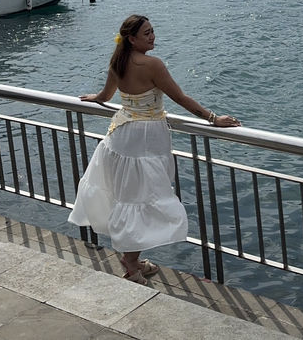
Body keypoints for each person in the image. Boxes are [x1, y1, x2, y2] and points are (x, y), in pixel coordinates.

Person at [68, 14, 240, 285]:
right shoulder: (152, 65)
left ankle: (132, 260)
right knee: (140, 200)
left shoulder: (118, 61)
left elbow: (107, 95)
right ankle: (131, 265)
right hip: (145, 140)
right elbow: (180, 98)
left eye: (152, 31)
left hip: (121, 135)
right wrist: (213, 118)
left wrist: (96, 98)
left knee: (127, 197)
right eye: (146, 33)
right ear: (132, 39)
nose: (152, 36)